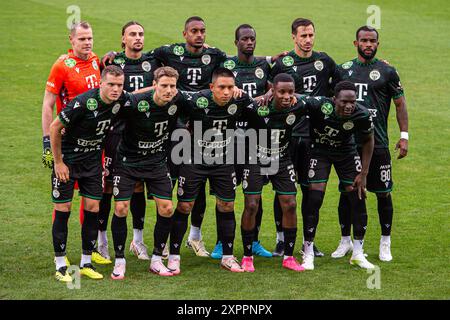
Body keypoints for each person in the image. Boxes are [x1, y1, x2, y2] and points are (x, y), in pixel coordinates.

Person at [331, 26, 408, 262]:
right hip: (348, 144)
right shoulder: (343, 70)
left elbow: (400, 103)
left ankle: (386, 242)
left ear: (377, 44)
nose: (368, 44)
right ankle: (346, 241)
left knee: (383, 194)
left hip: (380, 143)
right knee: (349, 192)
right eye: (363, 40)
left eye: (372, 41)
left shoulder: (387, 71)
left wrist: (404, 135)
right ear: (356, 43)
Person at [49, 66, 127, 282]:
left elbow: (141, 96)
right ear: (100, 83)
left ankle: (85, 262)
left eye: (119, 85)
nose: (115, 89)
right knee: (63, 209)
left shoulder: (121, 100)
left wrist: (160, 87)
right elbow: (55, 127)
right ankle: (61, 264)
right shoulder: (83, 102)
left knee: (93, 208)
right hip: (68, 163)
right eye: (111, 84)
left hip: (92, 165)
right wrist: (58, 163)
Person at [170, 68, 252, 273]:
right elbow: (170, 95)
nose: (226, 92)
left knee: (226, 205)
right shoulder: (196, 100)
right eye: (221, 87)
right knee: (185, 206)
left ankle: (227, 256)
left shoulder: (240, 100)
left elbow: (260, 108)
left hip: (223, 161)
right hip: (194, 160)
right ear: (211, 87)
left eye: (230, 87)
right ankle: (173, 256)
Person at [269, 18, 339, 257]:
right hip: (287, 134)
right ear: (293, 37)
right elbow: (266, 87)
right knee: (283, 191)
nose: (308, 40)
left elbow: (342, 83)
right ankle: (281, 240)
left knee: (311, 192)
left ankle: (310, 241)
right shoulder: (283, 63)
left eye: (311, 35)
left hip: (314, 136)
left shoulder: (325, 61)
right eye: (303, 36)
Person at [110, 67, 185, 278]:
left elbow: (205, 97)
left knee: (167, 208)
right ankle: (119, 260)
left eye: (172, 86)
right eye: (164, 86)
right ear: (155, 85)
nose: (168, 90)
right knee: (122, 208)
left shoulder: (178, 102)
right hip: (128, 162)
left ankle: (156, 259)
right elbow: (111, 109)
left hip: (156, 162)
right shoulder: (135, 103)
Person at [98, 21, 162, 262]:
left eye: (141, 34)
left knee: (138, 187)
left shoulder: (154, 62)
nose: (138, 38)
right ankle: (102, 241)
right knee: (106, 187)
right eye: (132, 34)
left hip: (142, 135)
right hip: (116, 133)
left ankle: (137, 240)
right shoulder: (112, 64)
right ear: (123, 39)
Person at [211, 24, 273, 259]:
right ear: (236, 42)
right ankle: (220, 242)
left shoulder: (264, 66)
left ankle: (254, 241)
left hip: (255, 140)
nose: (249, 42)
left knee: (254, 195)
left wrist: (267, 94)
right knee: (224, 196)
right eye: (244, 39)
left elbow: (277, 87)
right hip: (227, 141)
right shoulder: (225, 67)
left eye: (252, 39)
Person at [300, 80, 375, 270]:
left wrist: (364, 173)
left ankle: (358, 253)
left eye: (352, 101)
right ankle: (307, 252)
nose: (349, 106)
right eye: (344, 102)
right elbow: (297, 98)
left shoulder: (362, 113)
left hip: (346, 154)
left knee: (358, 197)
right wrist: (267, 95)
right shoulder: (320, 105)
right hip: (320, 152)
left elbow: (368, 140)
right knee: (314, 198)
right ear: (334, 99)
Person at [240, 73, 308, 272]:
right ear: (273, 91)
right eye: (282, 92)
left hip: (282, 158)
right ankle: (247, 256)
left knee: (290, 204)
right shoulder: (257, 108)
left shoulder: (299, 105)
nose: (287, 96)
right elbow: (239, 109)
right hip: (255, 158)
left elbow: (321, 101)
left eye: (290, 92)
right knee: (252, 205)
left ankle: (288, 256)